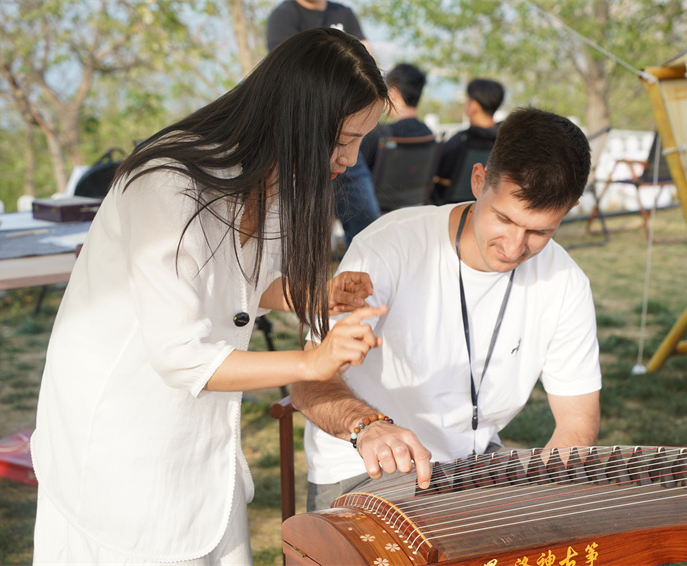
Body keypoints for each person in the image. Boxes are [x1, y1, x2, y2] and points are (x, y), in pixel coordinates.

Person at [31, 28, 388, 565]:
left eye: (360, 140)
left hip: (196, 443)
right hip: (120, 443)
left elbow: (239, 285)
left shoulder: (275, 180)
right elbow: (180, 355)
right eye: (340, 140)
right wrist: (314, 362)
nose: (349, 159)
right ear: (290, 117)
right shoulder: (167, 183)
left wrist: (318, 293)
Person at [292, 106, 602, 512]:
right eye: (504, 219)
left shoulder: (566, 282)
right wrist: (367, 428)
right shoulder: (390, 246)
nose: (513, 248)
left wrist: (535, 502)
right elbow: (308, 381)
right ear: (478, 182)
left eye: (539, 232)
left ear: (570, 208)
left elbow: (577, 424)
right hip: (365, 466)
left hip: (473, 467)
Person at [267, 0, 380, 246]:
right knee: (300, 232)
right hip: (306, 136)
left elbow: (365, 58)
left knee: (367, 223)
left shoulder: (344, 12)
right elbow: (288, 72)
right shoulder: (284, 16)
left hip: (347, 129)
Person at [430, 78, 506, 204]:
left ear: (474, 106)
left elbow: (437, 168)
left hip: (453, 206)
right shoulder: (505, 139)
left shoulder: (461, 140)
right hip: (487, 204)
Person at [359, 62, 434, 171]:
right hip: (416, 189)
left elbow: (353, 175)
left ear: (393, 93)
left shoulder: (379, 135)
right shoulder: (428, 135)